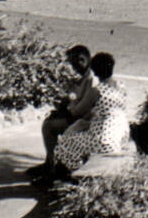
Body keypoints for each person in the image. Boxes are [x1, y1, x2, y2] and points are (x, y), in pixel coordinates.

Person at [49, 52, 131, 181]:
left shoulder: (97, 91)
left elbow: (77, 112)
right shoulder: (121, 86)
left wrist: (68, 103)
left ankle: (60, 176)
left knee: (66, 142)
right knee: (79, 138)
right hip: (120, 134)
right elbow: (106, 108)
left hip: (102, 139)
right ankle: (70, 172)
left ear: (95, 71)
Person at [35, 46, 97, 182]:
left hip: (85, 120)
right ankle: (50, 162)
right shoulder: (86, 76)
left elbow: (83, 108)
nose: (73, 67)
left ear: (82, 60)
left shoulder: (91, 78)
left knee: (49, 127)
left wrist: (65, 113)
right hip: (79, 116)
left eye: (73, 63)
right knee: (50, 121)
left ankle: (53, 167)